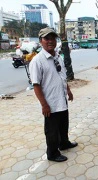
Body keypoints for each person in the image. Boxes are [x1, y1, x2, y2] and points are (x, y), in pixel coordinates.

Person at [29, 27, 78, 162]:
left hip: (61, 98)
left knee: (63, 124)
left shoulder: (57, 56)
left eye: (53, 38)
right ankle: (52, 153)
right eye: (47, 38)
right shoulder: (37, 61)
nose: (50, 41)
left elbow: (62, 76)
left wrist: (68, 90)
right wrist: (44, 105)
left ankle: (64, 143)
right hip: (50, 103)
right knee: (51, 130)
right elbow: (36, 85)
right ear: (41, 41)